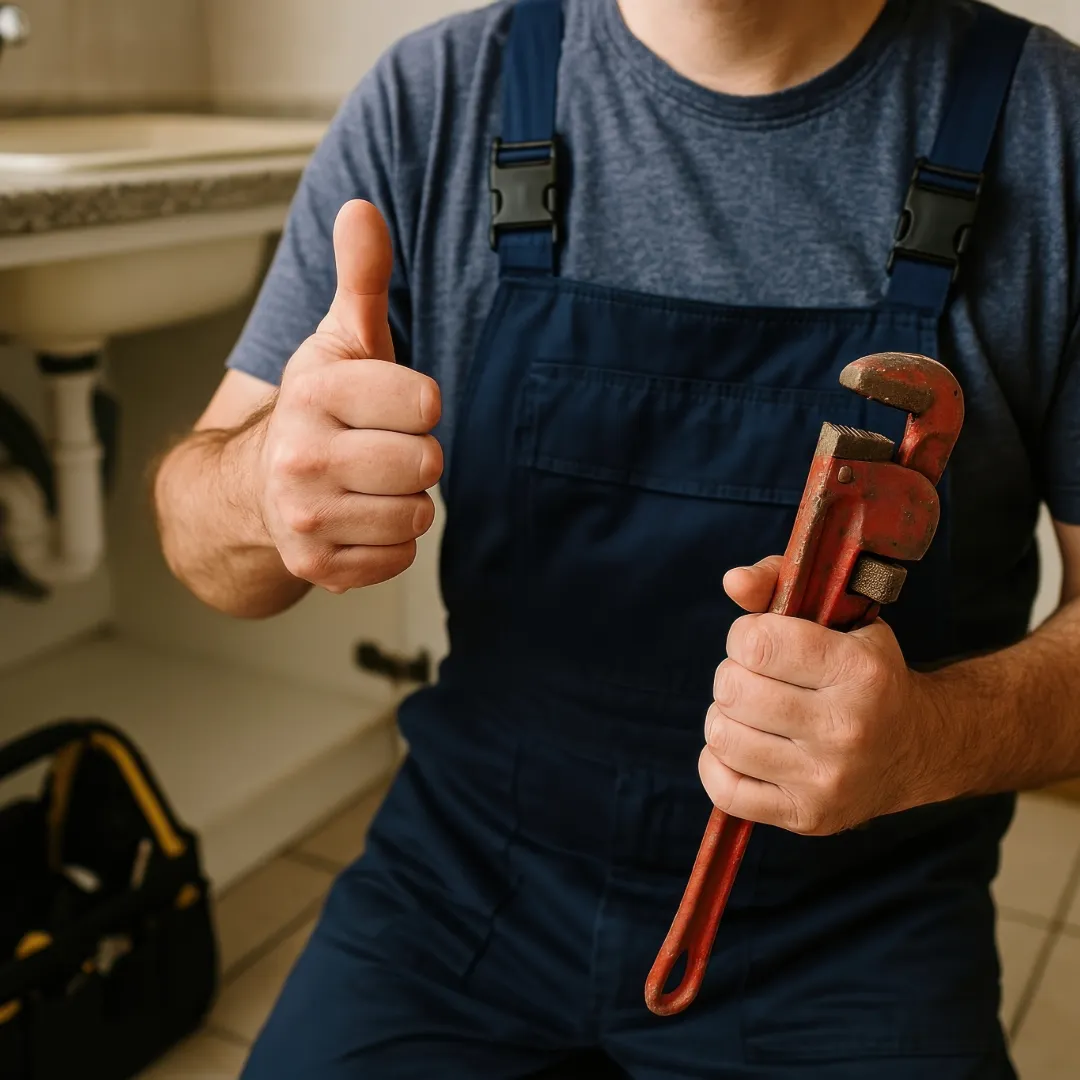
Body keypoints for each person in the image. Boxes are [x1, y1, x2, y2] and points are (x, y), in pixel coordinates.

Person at [153, 0, 1080, 1075]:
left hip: (856, 929)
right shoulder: (437, 96)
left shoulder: (1048, 126)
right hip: (463, 888)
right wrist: (262, 487)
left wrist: (928, 735)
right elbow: (199, 541)